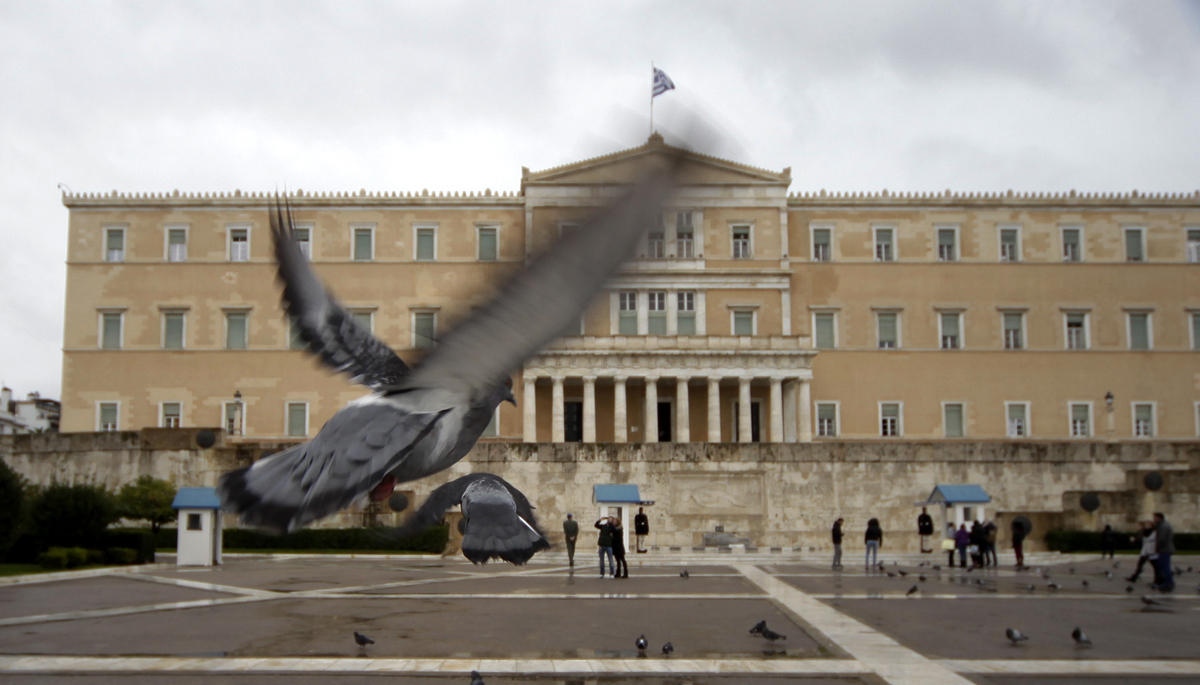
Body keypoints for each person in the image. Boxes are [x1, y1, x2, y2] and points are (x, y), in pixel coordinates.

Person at [1152, 512, 1175, 592]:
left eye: (1155, 518)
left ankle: (1169, 582)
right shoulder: (1162, 525)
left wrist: (1157, 547)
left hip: (1165, 549)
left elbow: (1161, 538)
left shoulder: (1163, 526)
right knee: (1160, 564)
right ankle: (1166, 580)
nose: (1154, 519)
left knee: (1164, 566)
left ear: (1159, 518)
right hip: (1165, 549)